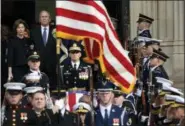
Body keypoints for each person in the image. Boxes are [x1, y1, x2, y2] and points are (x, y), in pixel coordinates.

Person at [30, 10, 56, 89]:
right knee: (38, 88)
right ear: (39, 19)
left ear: (49, 19)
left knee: (52, 88)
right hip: (38, 65)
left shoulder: (55, 31)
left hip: (52, 65)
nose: (44, 18)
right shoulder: (33, 32)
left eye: (46, 17)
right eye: (42, 17)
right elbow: (31, 48)